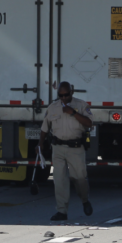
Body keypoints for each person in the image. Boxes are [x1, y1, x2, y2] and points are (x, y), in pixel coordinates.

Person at [39, 82, 94, 221]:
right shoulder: (53, 108)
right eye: (61, 95)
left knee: (79, 178)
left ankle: (85, 200)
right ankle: (62, 211)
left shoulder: (81, 105)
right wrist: (40, 144)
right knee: (59, 180)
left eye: (66, 95)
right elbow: (45, 128)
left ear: (72, 92)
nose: (63, 98)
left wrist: (73, 113)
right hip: (58, 148)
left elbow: (89, 123)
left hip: (75, 148)